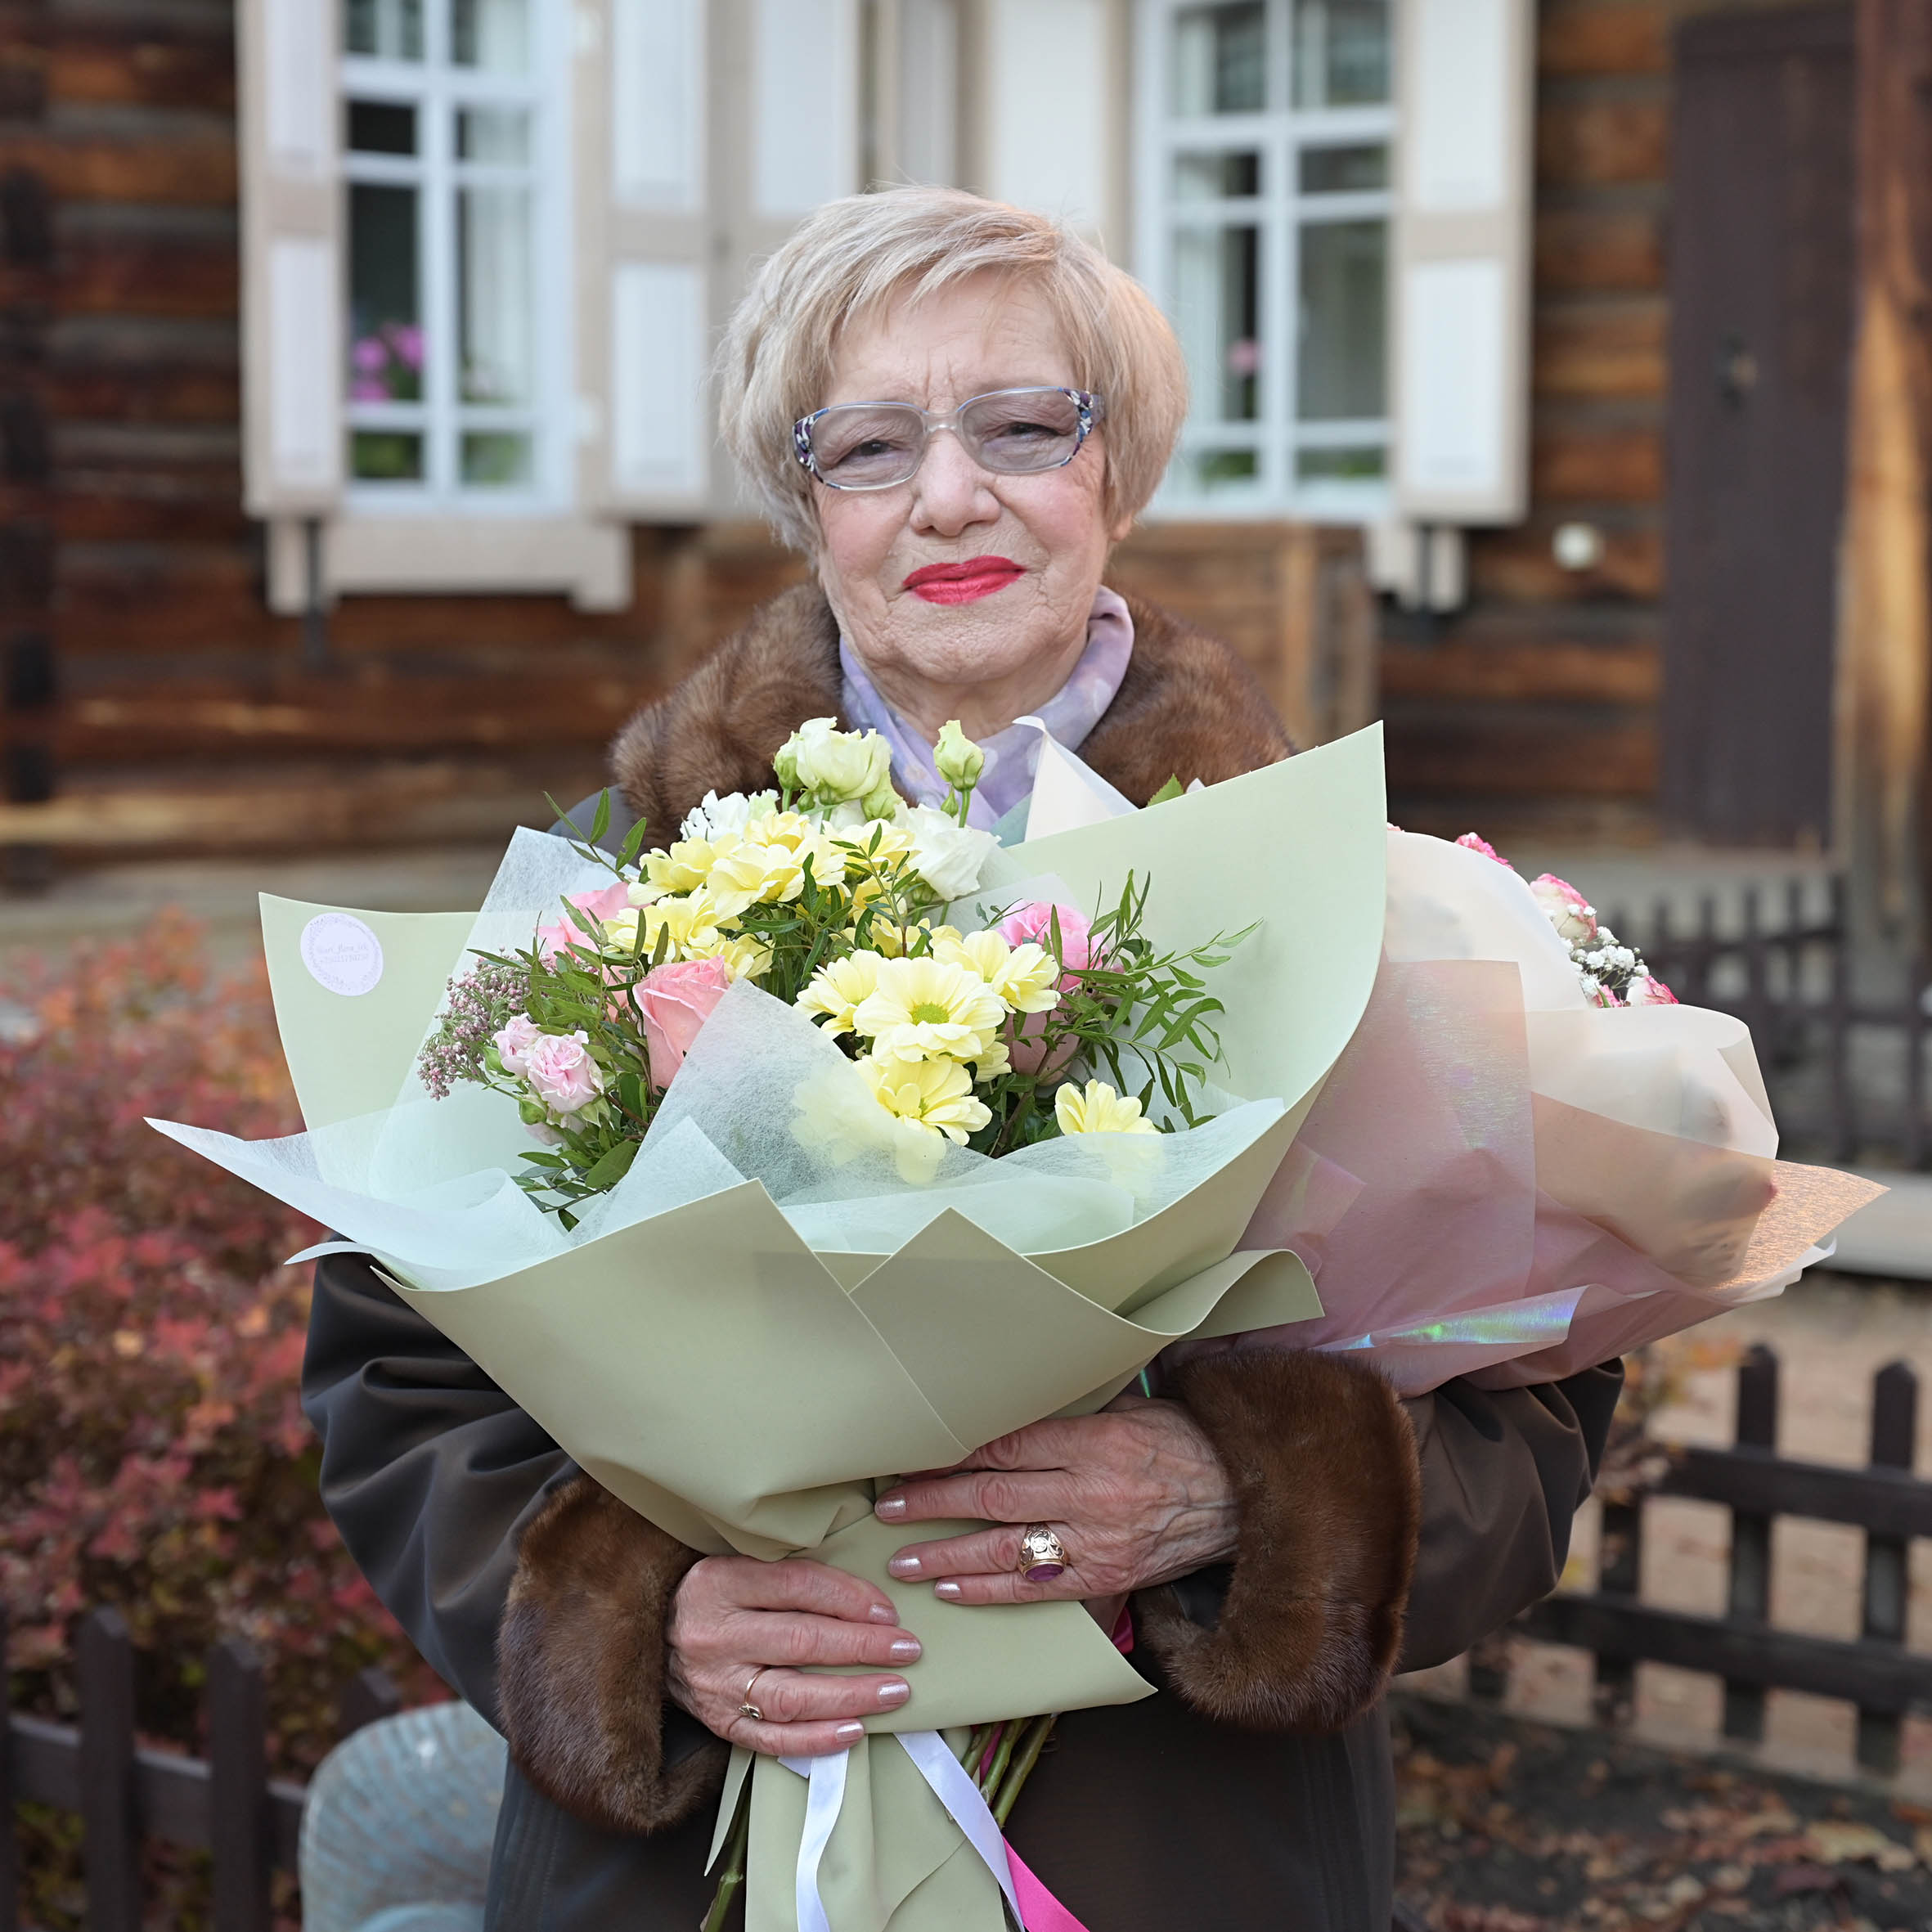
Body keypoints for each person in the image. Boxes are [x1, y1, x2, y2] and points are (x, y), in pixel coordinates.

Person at [303, 187, 1620, 1932]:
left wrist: (1246, 1489)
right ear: (807, 500)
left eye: (1019, 424)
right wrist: (637, 1609)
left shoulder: (1325, 880)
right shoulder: (621, 878)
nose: (947, 495)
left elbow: (1539, 1380)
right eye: (867, 443)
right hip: (694, 1851)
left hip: (1173, 1845)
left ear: (1115, 470)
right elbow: (400, 1368)